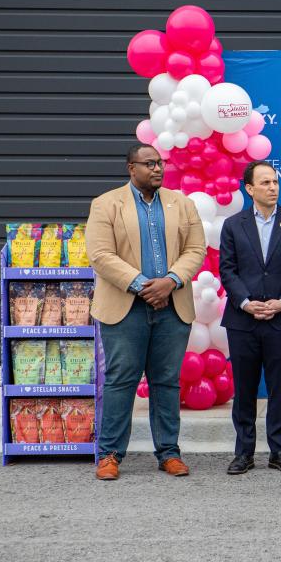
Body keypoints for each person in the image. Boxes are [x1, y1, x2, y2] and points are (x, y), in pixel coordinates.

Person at [86, 144, 206, 480]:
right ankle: (109, 454)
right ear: (131, 168)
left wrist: (169, 281)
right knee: (121, 380)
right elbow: (100, 255)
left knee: (166, 382)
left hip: (172, 305)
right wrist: (143, 285)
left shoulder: (182, 204)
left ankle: (169, 453)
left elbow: (196, 250)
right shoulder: (106, 204)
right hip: (126, 308)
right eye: (149, 163)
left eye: (160, 163)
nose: (158, 169)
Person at [219, 161, 281, 475]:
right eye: (265, 182)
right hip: (242, 321)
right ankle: (243, 452)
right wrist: (245, 303)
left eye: (275, 182)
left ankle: (278, 450)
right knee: (244, 388)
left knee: (279, 388)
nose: (273, 187)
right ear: (249, 189)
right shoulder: (233, 225)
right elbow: (227, 270)